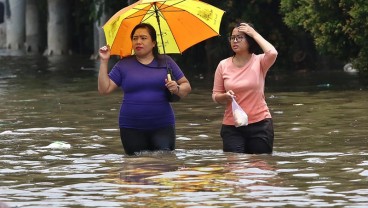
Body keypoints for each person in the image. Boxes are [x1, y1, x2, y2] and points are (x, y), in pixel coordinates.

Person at [98, 23, 191, 155]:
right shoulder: (123, 65)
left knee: (164, 164)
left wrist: (176, 88)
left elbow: (186, 86)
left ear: (153, 43)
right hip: (131, 127)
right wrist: (104, 61)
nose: (138, 42)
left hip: (162, 125)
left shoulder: (166, 61)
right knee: (136, 168)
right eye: (135, 38)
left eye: (143, 38)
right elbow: (104, 89)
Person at [212, 22, 278, 154]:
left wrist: (253, 33)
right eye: (232, 38)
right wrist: (225, 96)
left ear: (249, 39)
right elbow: (215, 96)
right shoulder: (223, 65)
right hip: (232, 126)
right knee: (235, 169)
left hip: (260, 123)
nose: (235, 41)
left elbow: (272, 53)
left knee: (260, 168)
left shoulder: (259, 61)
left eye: (239, 37)